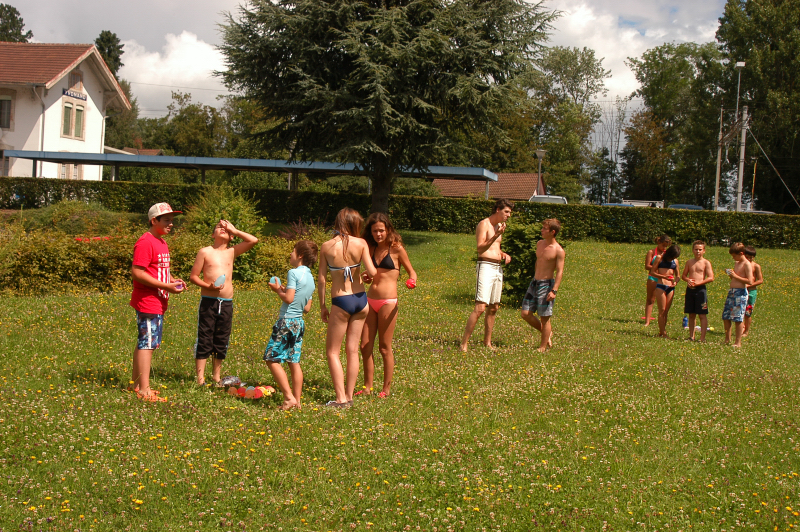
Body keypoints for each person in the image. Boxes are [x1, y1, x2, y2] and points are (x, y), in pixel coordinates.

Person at [318, 208, 378, 408]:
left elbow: (321, 280)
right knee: (352, 350)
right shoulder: (361, 243)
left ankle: (340, 399)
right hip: (361, 300)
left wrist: (323, 305)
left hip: (341, 301)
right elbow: (372, 272)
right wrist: (365, 275)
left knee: (332, 352)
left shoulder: (326, 246)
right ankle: (349, 396)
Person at [188, 220, 259, 386]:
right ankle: (200, 379)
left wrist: (234, 229)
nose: (223, 229)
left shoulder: (232, 251)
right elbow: (193, 277)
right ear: (213, 234)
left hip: (226, 302)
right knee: (205, 337)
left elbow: (253, 240)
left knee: (221, 338)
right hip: (209, 301)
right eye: (219, 227)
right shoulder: (205, 252)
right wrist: (208, 286)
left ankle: (216, 376)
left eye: (226, 228)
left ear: (231, 236)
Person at [128, 203, 186, 402]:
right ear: (154, 221)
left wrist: (172, 281)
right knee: (148, 344)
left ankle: (135, 385)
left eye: (172, 220)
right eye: (166, 220)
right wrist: (165, 286)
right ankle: (144, 391)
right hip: (148, 301)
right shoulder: (146, 242)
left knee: (146, 342)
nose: (171, 224)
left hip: (158, 301)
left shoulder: (161, 242)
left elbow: (160, 270)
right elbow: (137, 272)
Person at [357, 213, 417, 398]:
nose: (378, 234)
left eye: (381, 230)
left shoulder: (397, 249)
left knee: (384, 347)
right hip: (370, 300)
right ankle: (367, 387)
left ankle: (386, 389)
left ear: (388, 230)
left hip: (388, 302)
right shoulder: (370, 248)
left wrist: (411, 281)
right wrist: (366, 277)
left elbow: (412, 272)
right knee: (365, 346)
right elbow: (369, 274)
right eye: (375, 231)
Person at [263, 240, 318, 410]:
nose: (290, 254)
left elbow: (288, 298)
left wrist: (278, 290)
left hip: (286, 321)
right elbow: (306, 308)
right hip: (299, 323)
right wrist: (286, 289)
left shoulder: (293, 273)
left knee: (271, 359)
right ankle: (297, 401)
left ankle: (288, 398)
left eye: (292, 251)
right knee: (293, 361)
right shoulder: (311, 278)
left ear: (300, 255)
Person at [459, 199, 514, 352]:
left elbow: (495, 247)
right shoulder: (484, 224)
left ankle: (487, 342)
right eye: (506, 212)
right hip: (485, 266)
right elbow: (480, 248)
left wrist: (503, 254)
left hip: (497, 267)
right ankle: (464, 343)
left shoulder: (499, 226)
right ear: (497, 210)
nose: (508, 215)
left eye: (510, 212)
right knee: (480, 307)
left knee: (494, 307)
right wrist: (496, 235)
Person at [520, 218, 565, 352]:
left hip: (547, 285)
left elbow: (560, 271)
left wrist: (554, 290)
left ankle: (542, 347)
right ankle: (547, 333)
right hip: (535, 282)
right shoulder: (540, 244)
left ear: (552, 232)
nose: (542, 230)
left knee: (544, 318)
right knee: (525, 313)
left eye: (545, 229)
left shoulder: (558, 250)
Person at [680, 240, 714, 342]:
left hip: (700, 290)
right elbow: (683, 275)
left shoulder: (706, 263)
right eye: (696, 249)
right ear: (692, 250)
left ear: (704, 251)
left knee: (702, 314)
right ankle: (691, 336)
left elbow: (711, 277)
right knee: (691, 314)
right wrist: (688, 280)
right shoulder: (689, 262)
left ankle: (702, 338)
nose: (698, 251)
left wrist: (698, 283)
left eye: (700, 249)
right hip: (690, 290)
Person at [722, 242, 754, 347]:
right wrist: (730, 274)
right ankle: (727, 339)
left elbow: (750, 281)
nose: (733, 258)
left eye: (734, 256)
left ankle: (738, 342)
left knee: (738, 318)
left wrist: (735, 276)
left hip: (740, 293)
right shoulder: (737, 263)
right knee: (726, 316)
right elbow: (735, 277)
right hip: (732, 291)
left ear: (741, 253)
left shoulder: (747, 264)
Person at [649, 244, 681, 338]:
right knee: (662, 310)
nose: (673, 258)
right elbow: (652, 272)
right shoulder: (660, 258)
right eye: (672, 256)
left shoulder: (675, 261)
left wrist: (675, 282)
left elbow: (678, 276)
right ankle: (664, 333)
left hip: (670, 287)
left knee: (666, 311)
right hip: (661, 286)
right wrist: (663, 276)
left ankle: (661, 331)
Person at [643, 235, 672, 326]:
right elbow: (647, 266)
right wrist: (657, 268)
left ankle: (663, 320)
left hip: (664, 279)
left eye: (666, 246)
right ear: (659, 242)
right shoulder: (651, 252)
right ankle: (647, 321)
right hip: (653, 278)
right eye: (663, 245)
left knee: (664, 303)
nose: (664, 248)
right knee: (650, 299)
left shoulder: (667, 254)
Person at [742, 245, 763, 337]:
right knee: (740, 310)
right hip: (741, 291)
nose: (749, 259)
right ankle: (741, 327)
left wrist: (749, 285)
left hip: (751, 292)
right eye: (747, 257)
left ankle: (746, 331)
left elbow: (760, 280)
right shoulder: (741, 265)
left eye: (751, 257)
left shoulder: (756, 266)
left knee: (748, 312)